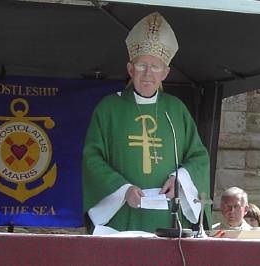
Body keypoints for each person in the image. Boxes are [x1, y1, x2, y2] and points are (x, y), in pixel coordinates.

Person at [82, 12, 210, 233]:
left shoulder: (176, 110)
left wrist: (179, 180)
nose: (148, 73)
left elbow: (199, 157)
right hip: (123, 215)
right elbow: (92, 158)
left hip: (168, 214)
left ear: (166, 73)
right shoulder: (109, 108)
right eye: (141, 66)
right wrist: (123, 190)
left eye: (156, 66)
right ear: (130, 69)